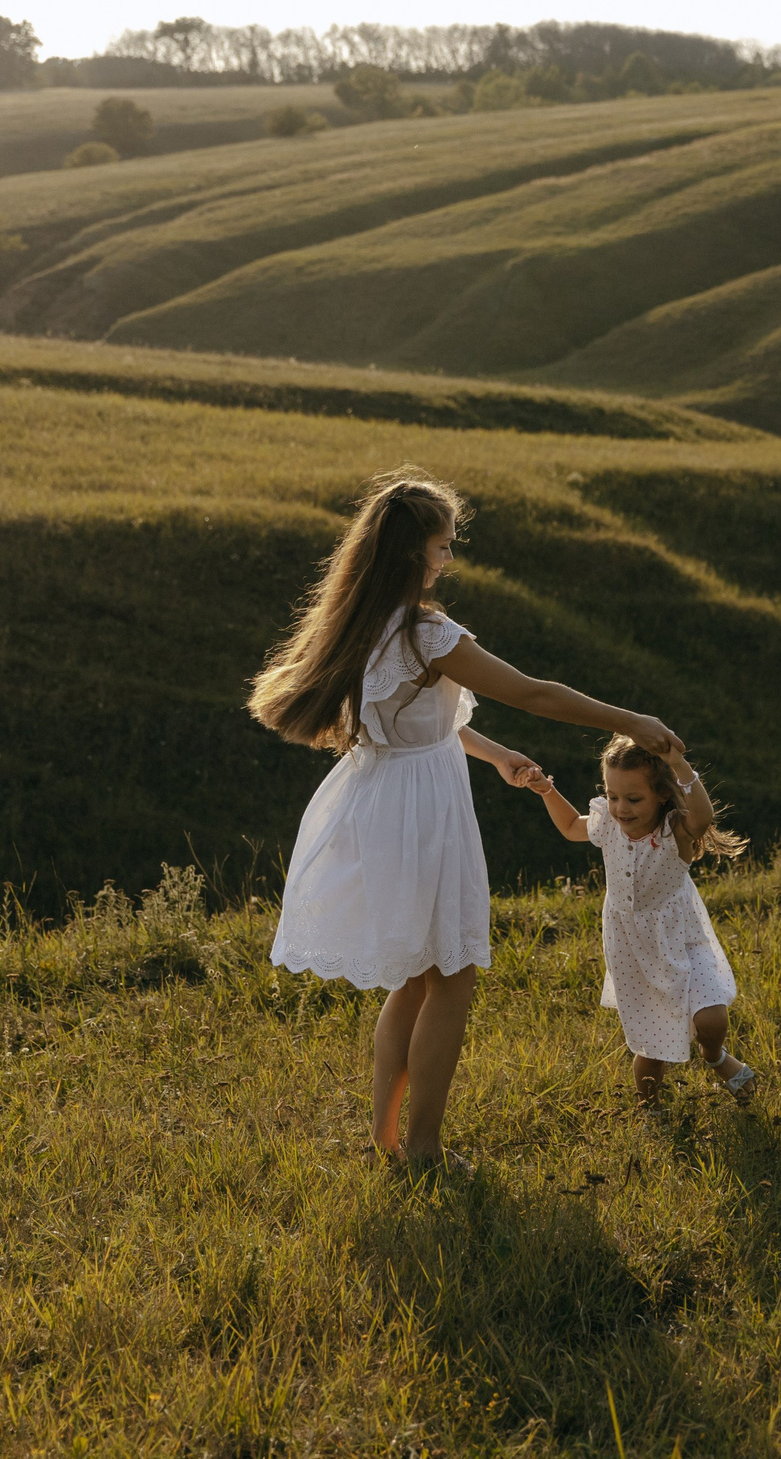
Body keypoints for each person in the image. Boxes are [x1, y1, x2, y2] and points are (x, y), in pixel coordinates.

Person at [248, 467, 681, 1169]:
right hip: (423, 807)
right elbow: (533, 692)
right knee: (449, 975)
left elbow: (418, 719)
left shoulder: (363, 622)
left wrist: (494, 753)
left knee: (414, 977)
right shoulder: (428, 632)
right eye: (443, 546)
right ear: (413, 552)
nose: (449, 559)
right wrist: (629, 717)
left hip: (379, 793)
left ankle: (388, 1138)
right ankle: (423, 1148)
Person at [522, 735, 757, 1104]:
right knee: (651, 1046)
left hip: (680, 934)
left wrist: (678, 764)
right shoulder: (607, 825)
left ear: (662, 793)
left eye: (634, 799)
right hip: (633, 946)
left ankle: (715, 1057)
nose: (620, 808)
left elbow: (703, 816)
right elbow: (569, 826)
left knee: (712, 1018)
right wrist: (546, 790)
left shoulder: (674, 830)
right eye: (613, 796)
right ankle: (650, 1110)